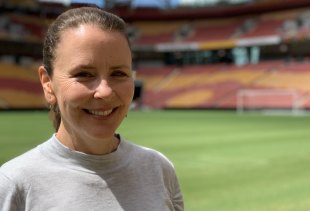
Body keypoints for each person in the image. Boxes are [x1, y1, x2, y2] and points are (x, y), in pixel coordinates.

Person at [0, 7, 184, 211]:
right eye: (84, 74)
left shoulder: (159, 169)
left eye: (119, 74)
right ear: (47, 83)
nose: (104, 92)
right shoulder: (13, 184)